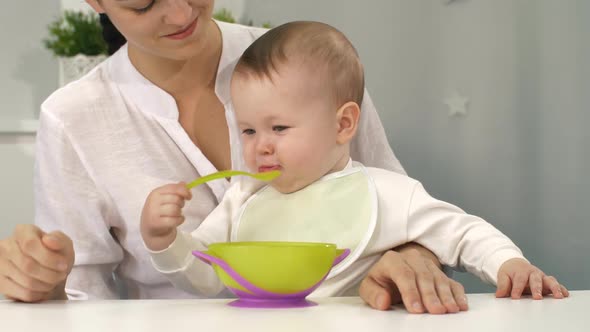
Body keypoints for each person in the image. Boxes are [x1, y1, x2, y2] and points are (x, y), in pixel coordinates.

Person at [0, 1, 466, 314]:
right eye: (143, 1)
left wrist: (413, 255)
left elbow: (398, 205)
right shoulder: (74, 118)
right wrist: (46, 285)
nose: (181, 11)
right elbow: (83, 301)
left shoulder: (304, 62)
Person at [140, 21, 569, 309]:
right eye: (249, 131)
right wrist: (165, 240)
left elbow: (463, 233)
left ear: (343, 123)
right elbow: (204, 276)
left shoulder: (387, 193)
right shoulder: (243, 199)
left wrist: (509, 264)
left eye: (280, 128)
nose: (260, 147)